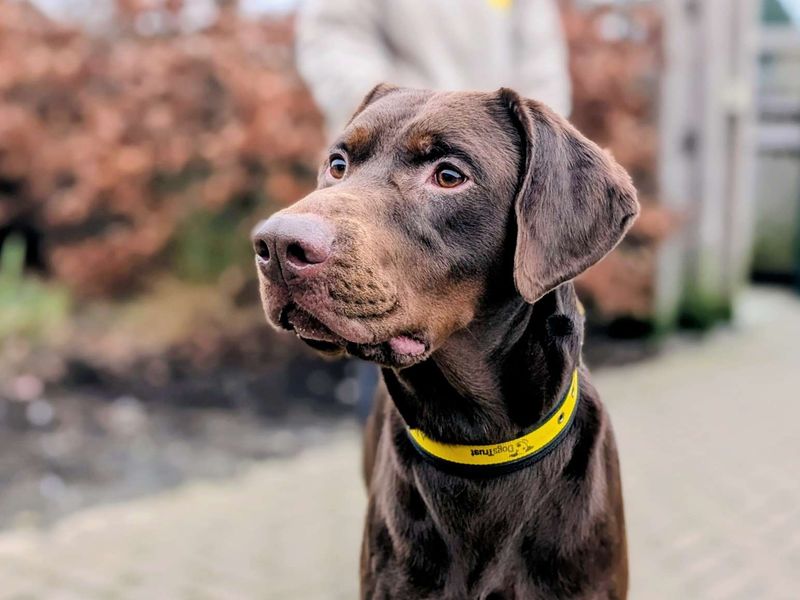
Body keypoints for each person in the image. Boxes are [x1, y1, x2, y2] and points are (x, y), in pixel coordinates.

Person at [295, 0, 572, 420]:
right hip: (389, 175)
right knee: (383, 371)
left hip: (489, 185)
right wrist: (411, 113)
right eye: (336, 167)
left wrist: (489, 136)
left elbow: (544, 67)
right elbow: (332, 40)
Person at [296, 0, 571, 138]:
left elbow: (543, 65)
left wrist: (522, 139)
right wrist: (394, 119)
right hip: (386, 154)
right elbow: (334, 43)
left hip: (490, 158)